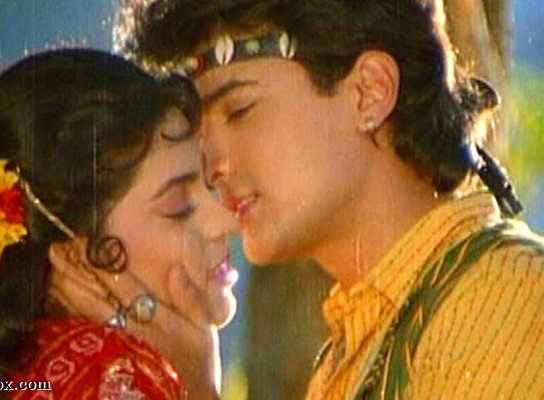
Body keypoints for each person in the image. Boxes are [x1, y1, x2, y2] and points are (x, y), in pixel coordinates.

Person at [115, 0, 544, 398]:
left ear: (370, 92)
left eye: (240, 110)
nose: (213, 166)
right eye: (203, 133)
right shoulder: (355, 344)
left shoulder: (502, 298)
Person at [0, 48, 237, 400]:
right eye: (179, 207)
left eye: (211, 184)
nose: (227, 220)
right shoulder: (116, 377)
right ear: (73, 255)